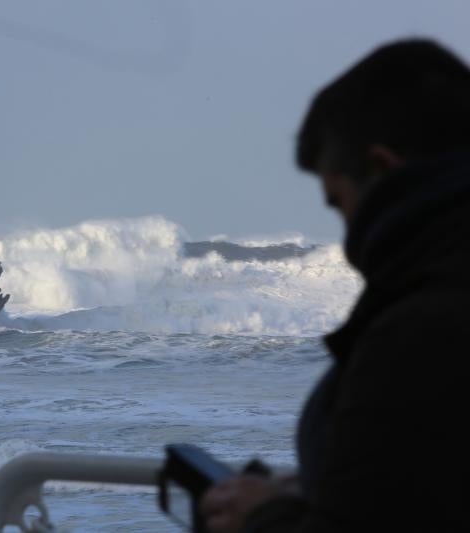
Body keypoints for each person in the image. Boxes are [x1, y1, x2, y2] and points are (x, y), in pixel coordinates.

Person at [201, 38, 470, 532]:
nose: (346, 230)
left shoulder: (425, 324)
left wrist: (263, 516)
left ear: (382, 170)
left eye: (337, 202)